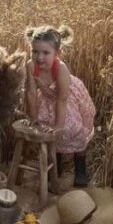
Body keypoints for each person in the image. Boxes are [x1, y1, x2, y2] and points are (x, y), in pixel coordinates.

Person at [24, 24, 97, 187]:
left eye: (45, 53)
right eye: (35, 51)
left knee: (74, 129)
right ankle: (55, 166)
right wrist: (34, 119)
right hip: (47, 100)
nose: (39, 57)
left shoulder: (61, 69)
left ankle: (80, 166)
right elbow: (30, 93)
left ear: (57, 54)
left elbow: (62, 100)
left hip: (67, 99)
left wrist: (58, 125)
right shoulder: (30, 66)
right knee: (45, 127)